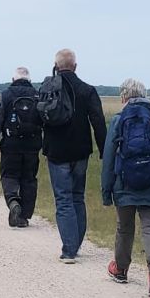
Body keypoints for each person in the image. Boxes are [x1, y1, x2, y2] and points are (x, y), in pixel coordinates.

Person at [101, 78, 150, 297]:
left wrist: (106, 191)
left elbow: (108, 159)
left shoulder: (118, 120)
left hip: (124, 184)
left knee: (124, 228)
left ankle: (120, 269)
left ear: (124, 96)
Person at [40, 49, 106, 264]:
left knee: (63, 199)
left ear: (56, 66)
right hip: (80, 151)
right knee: (77, 196)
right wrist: (104, 150)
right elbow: (98, 122)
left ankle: (69, 250)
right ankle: (74, 244)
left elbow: (39, 116)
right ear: (75, 66)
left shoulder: (47, 89)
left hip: (56, 152)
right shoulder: (87, 90)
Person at [0, 67, 44, 227]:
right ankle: (24, 216)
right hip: (32, 145)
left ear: (13, 79)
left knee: (9, 175)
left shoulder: (5, 95)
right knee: (29, 179)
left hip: (10, 144)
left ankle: (13, 200)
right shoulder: (38, 95)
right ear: (30, 80)